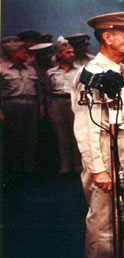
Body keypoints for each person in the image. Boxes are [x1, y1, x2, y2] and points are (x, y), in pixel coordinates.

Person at [71, 11, 124, 258]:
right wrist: (98, 170)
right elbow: (86, 127)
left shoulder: (118, 69)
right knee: (103, 217)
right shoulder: (92, 74)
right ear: (107, 37)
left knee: (123, 212)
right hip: (106, 148)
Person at [0, 39, 42, 181]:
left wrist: (40, 107)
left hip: (31, 105)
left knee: (31, 138)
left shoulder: (30, 69)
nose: (26, 54)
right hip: (11, 105)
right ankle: (15, 170)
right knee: (14, 138)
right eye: (23, 52)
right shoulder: (2, 69)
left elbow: (39, 90)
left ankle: (28, 169)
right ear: (14, 53)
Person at [46, 36, 81, 175]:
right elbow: (47, 91)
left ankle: (78, 167)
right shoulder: (51, 72)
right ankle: (65, 167)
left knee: (76, 135)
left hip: (74, 102)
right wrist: (49, 108)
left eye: (72, 52)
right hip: (57, 103)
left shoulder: (79, 70)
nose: (71, 54)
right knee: (61, 136)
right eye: (67, 52)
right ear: (59, 54)